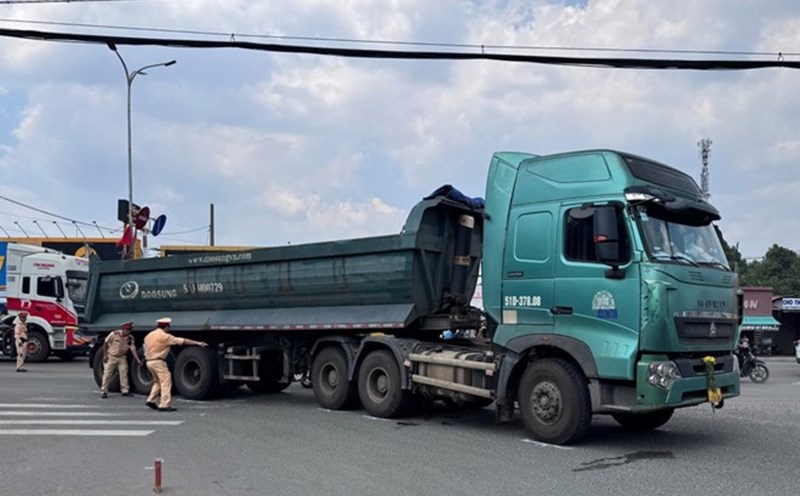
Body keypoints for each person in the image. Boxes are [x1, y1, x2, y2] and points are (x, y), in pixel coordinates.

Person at [144, 317, 207, 412]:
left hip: (149, 362)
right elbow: (182, 341)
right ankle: (164, 404)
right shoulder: (165, 336)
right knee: (166, 381)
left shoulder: (149, 335)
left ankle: (151, 400)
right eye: (168, 327)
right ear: (166, 327)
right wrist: (197, 343)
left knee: (157, 381)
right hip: (158, 361)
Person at [100, 321, 142, 398]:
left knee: (124, 373)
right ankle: (104, 391)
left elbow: (133, 349)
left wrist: (138, 360)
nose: (129, 331)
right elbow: (105, 343)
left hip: (122, 357)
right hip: (112, 356)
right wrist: (105, 355)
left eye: (130, 330)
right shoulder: (114, 334)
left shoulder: (130, 338)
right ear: (123, 329)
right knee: (107, 374)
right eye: (127, 330)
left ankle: (125, 391)